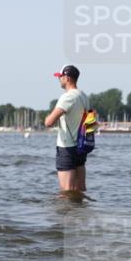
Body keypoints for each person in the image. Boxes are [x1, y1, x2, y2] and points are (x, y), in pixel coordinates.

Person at [44, 64, 90, 193]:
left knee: (66, 192)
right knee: (80, 189)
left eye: (60, 77)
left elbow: (49, 122)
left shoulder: (67, 97)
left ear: (67, 78)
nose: (59, 79)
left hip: (67, 148)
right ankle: (81, 207)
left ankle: (69, 208)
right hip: (81, 147)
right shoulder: (84, 96)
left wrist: (47, 117)